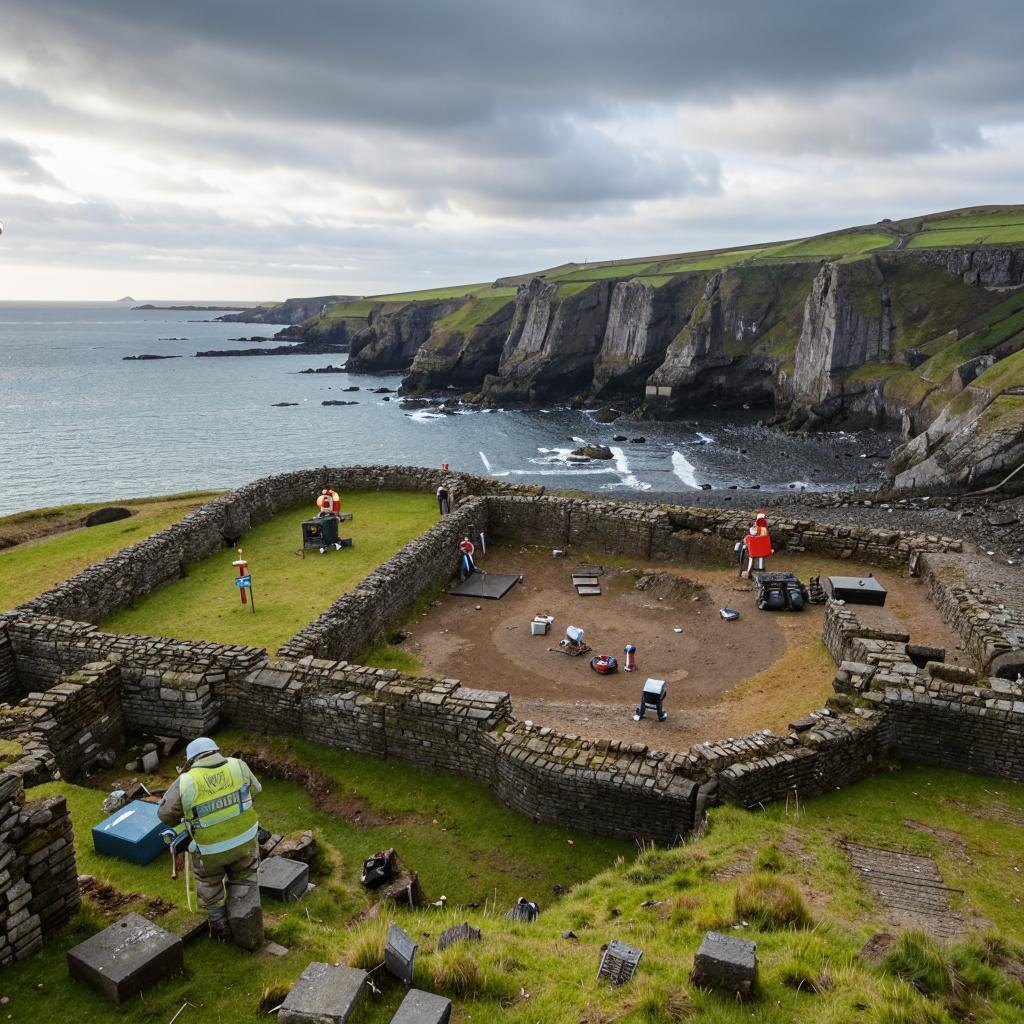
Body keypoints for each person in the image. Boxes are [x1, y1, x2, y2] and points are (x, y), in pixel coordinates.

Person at [158, 737, 263, 944]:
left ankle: (220, 929)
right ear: (216, 751)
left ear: (191, 760)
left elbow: (164, 815)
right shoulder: (238, 766)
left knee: (210, 886)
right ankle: (247, 928)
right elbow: (256, 790)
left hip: (209, 850)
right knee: (244, 880)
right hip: (246, 842)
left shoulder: (186, 781)